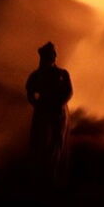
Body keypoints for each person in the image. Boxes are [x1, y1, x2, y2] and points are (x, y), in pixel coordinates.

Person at [26, 41, 72, 181]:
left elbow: (69, 91)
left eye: (52, 54)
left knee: (56, 142)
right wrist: (37, 104)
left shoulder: (62, 74)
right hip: (42, 112)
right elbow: (30, 91)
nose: (52, 57)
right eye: (48, 55)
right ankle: (39, 174)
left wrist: (59, 103)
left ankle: (53, 173)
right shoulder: (35, 75)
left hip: (58, 113)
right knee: (38, 142)